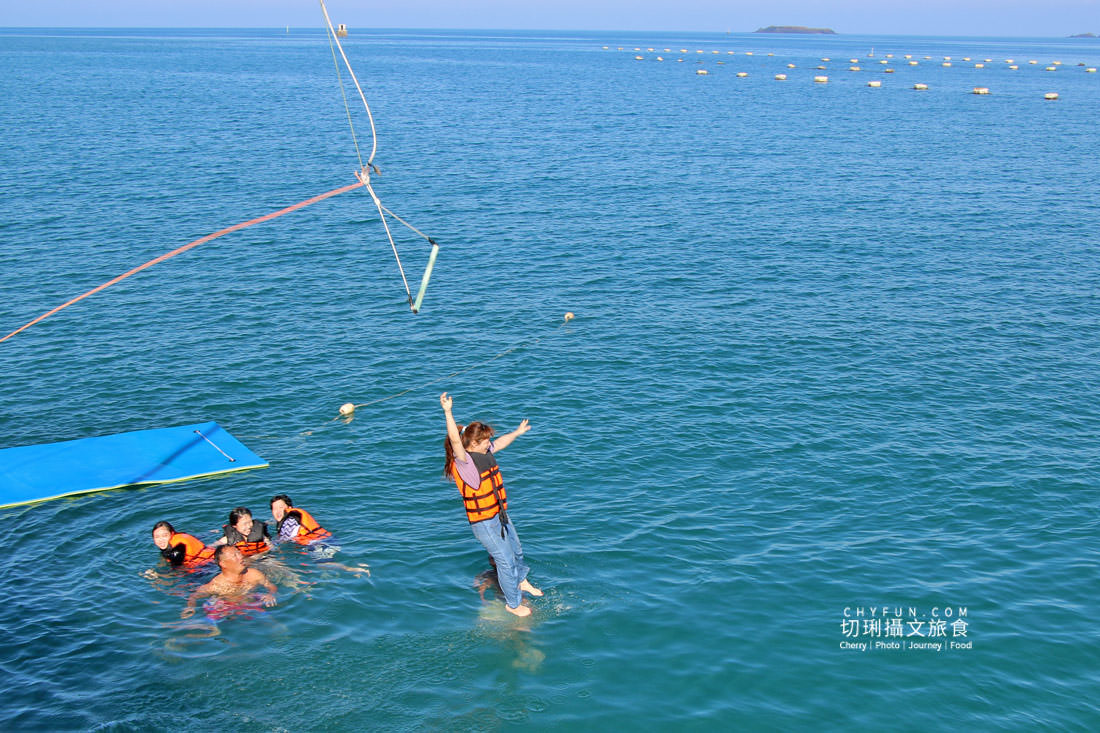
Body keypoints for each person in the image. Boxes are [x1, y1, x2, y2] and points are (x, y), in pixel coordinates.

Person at [441, 392, 542, 618]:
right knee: (505, 561)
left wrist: (516, 432)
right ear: (473, 444)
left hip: (498, 513)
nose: (490, 442)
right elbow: (456, 440)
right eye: (486, 439)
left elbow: (501, 443)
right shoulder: (465, 463)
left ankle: (521, 581)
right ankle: (513, 604)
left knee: (517, 550)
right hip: (484, 522)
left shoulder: (484, 451)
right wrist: (448, 412)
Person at [269, 494, 370, 577]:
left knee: (323, 565)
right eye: (274, 509)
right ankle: (356, 564)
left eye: (281, 507)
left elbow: (283, 540)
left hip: (319, 544)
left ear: (289, 508)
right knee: (327, 566)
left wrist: (269, 546)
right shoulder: (292, 518)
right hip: (329, 539)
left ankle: (353, 568)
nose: (277, 511)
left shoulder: (289, 522)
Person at [180, 545, 277, 619]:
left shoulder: (253, 574)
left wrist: (270, 594)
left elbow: (270, 586)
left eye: (239, 553)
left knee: (277, 626)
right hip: (226, 611)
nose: (241, 557)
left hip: (249, 603)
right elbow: (194, 596)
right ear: (223, 564)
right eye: (235, 555)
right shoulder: (216, 585)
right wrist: (190, 607)